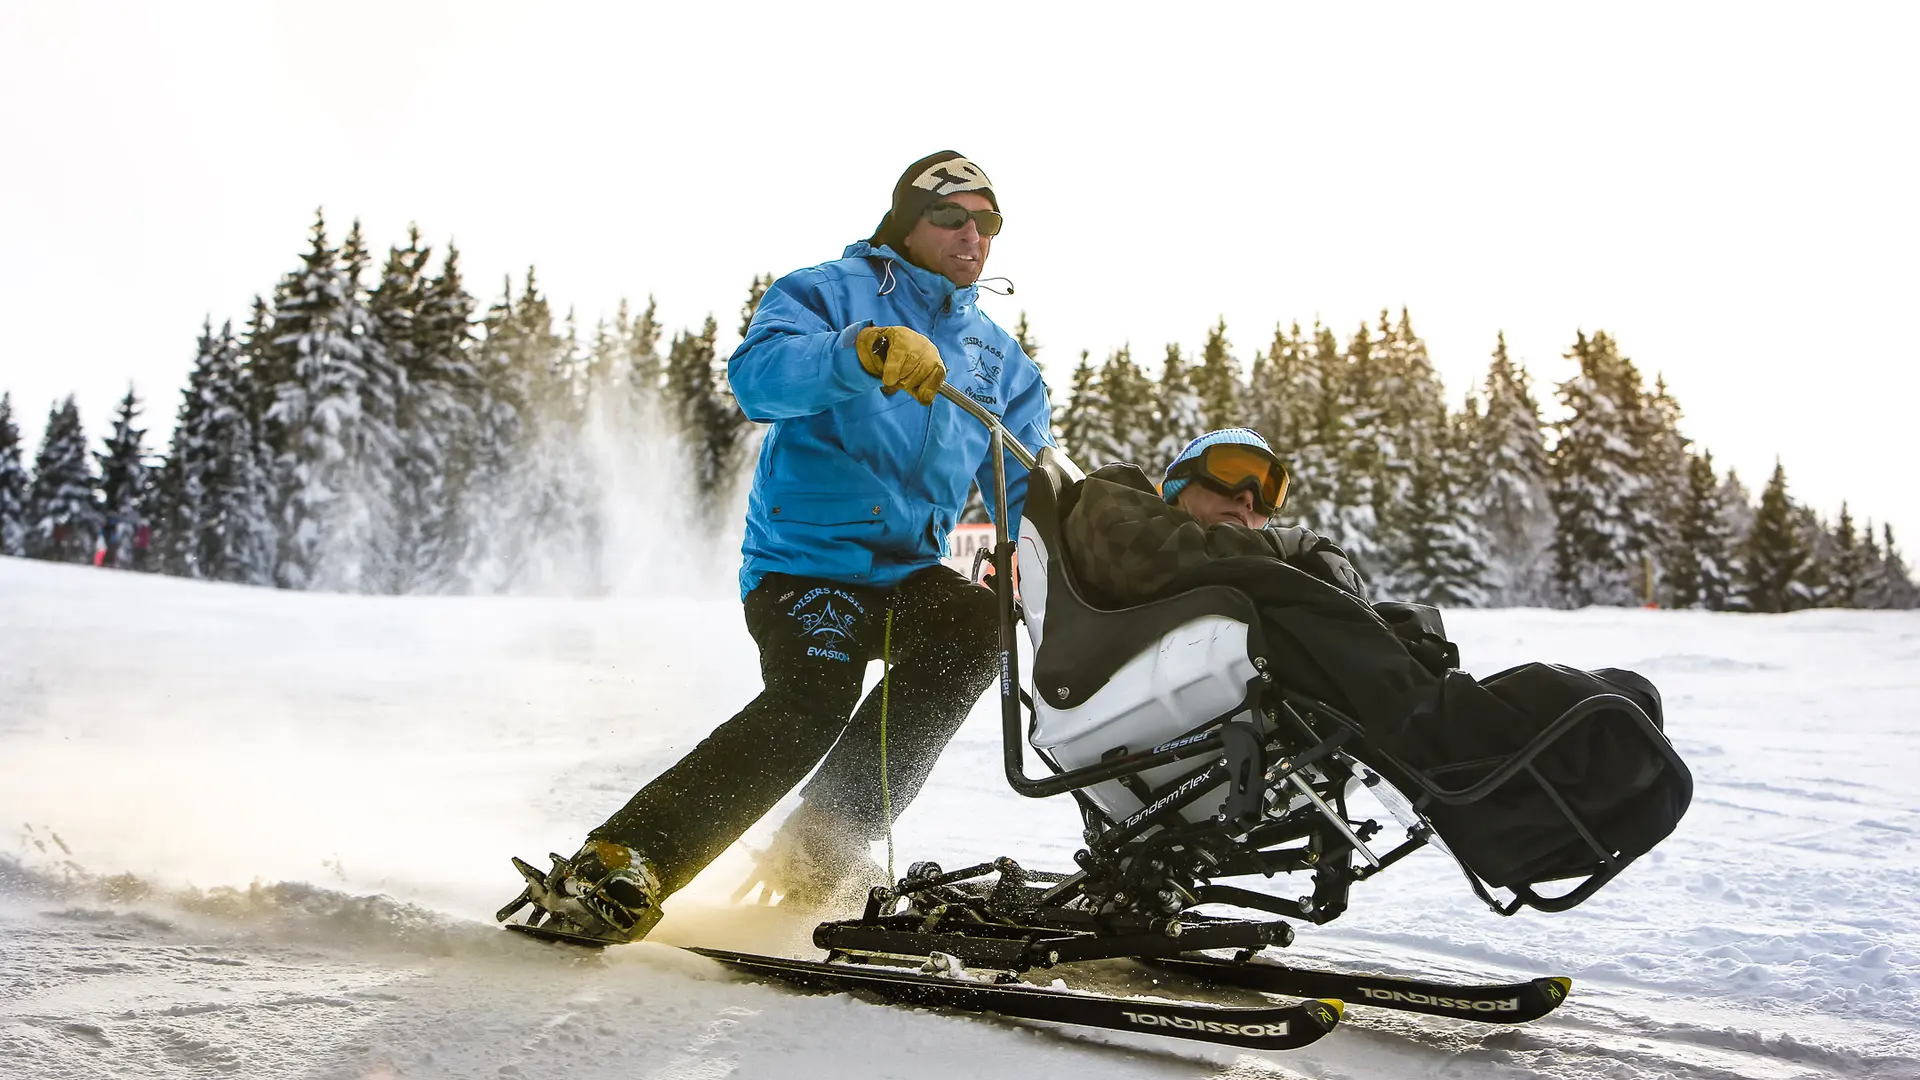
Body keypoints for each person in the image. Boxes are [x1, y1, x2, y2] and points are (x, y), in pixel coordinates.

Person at [503, 151, 1055, 942]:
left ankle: (818, 848)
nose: (974, 234)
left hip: (905, 572)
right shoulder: (829, 292)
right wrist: (859, 351)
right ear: (907, 221)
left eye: (988, 222)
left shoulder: (999, 357)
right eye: (952, 216)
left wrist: (1065, 537)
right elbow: (759, 380)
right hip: (806, 564)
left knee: (975, 629)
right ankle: (621, 862)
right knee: (813, 699)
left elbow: (1025, 479)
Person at [1062, 428, 1368, 608]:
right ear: (1180, 484)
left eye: (1268, 491)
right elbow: (1140, 554)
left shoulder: (1263, 580)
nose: (1248, 497)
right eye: (1229, 472)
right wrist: (1278, 549)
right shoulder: (1116, 502)